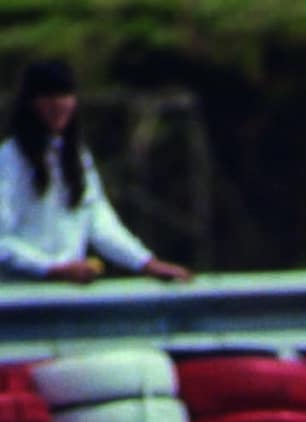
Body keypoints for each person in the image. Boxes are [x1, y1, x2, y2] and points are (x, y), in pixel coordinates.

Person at [0, 58, 190, 283]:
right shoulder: (9, 160)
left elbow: (99, 222)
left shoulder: (76, 158)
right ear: (31, 103)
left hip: (68, 296)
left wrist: (146, 263)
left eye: (65, 96)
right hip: (19, 300)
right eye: (49, 97)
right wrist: (52, 268)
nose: (59, 104)